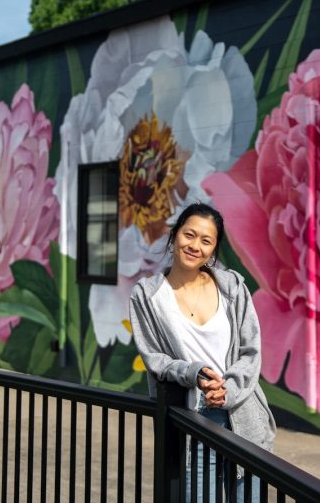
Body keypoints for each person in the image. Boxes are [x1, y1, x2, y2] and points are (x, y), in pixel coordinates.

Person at [128, 202, 276, 501]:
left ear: (214, 249)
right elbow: (155, 359)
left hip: (242, 414)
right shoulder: (147, 295)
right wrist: (193, 373)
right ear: (174, 236)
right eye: (189, 235)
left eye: (206, 241)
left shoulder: (232, 286)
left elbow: (251, 351)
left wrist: (229, 390)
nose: (195, 246)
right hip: (192, 419)